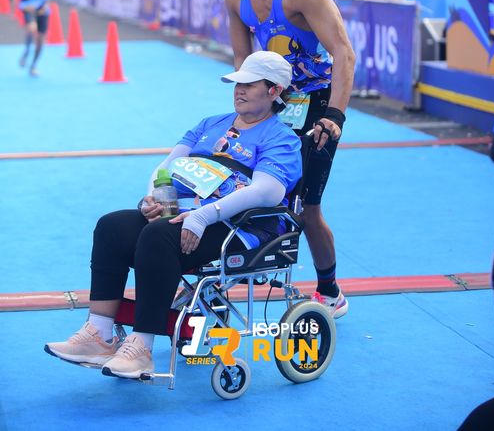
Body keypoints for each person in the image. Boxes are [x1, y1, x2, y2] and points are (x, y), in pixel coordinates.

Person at [45, 51, 302, 379]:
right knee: (112, 226)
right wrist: (153, 199)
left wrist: (203, 216)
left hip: (236, 224)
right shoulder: (210, 124)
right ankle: (99, 334)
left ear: (274, 90)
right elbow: (167, 166)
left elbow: (268, 191)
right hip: (181, 213)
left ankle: (141, 348)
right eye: (237, 84)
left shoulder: (281, 138)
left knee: (159, 235)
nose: (239, 90)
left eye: (249, 85)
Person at [224, 0, 355, 318]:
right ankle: (242, 268)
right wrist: (247, 108)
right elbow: (244, 61)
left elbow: (344, 53)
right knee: (245, 186)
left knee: (306, 207)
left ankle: (330, 291)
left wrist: (335, 116)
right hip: (275, 102)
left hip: (318, 104)